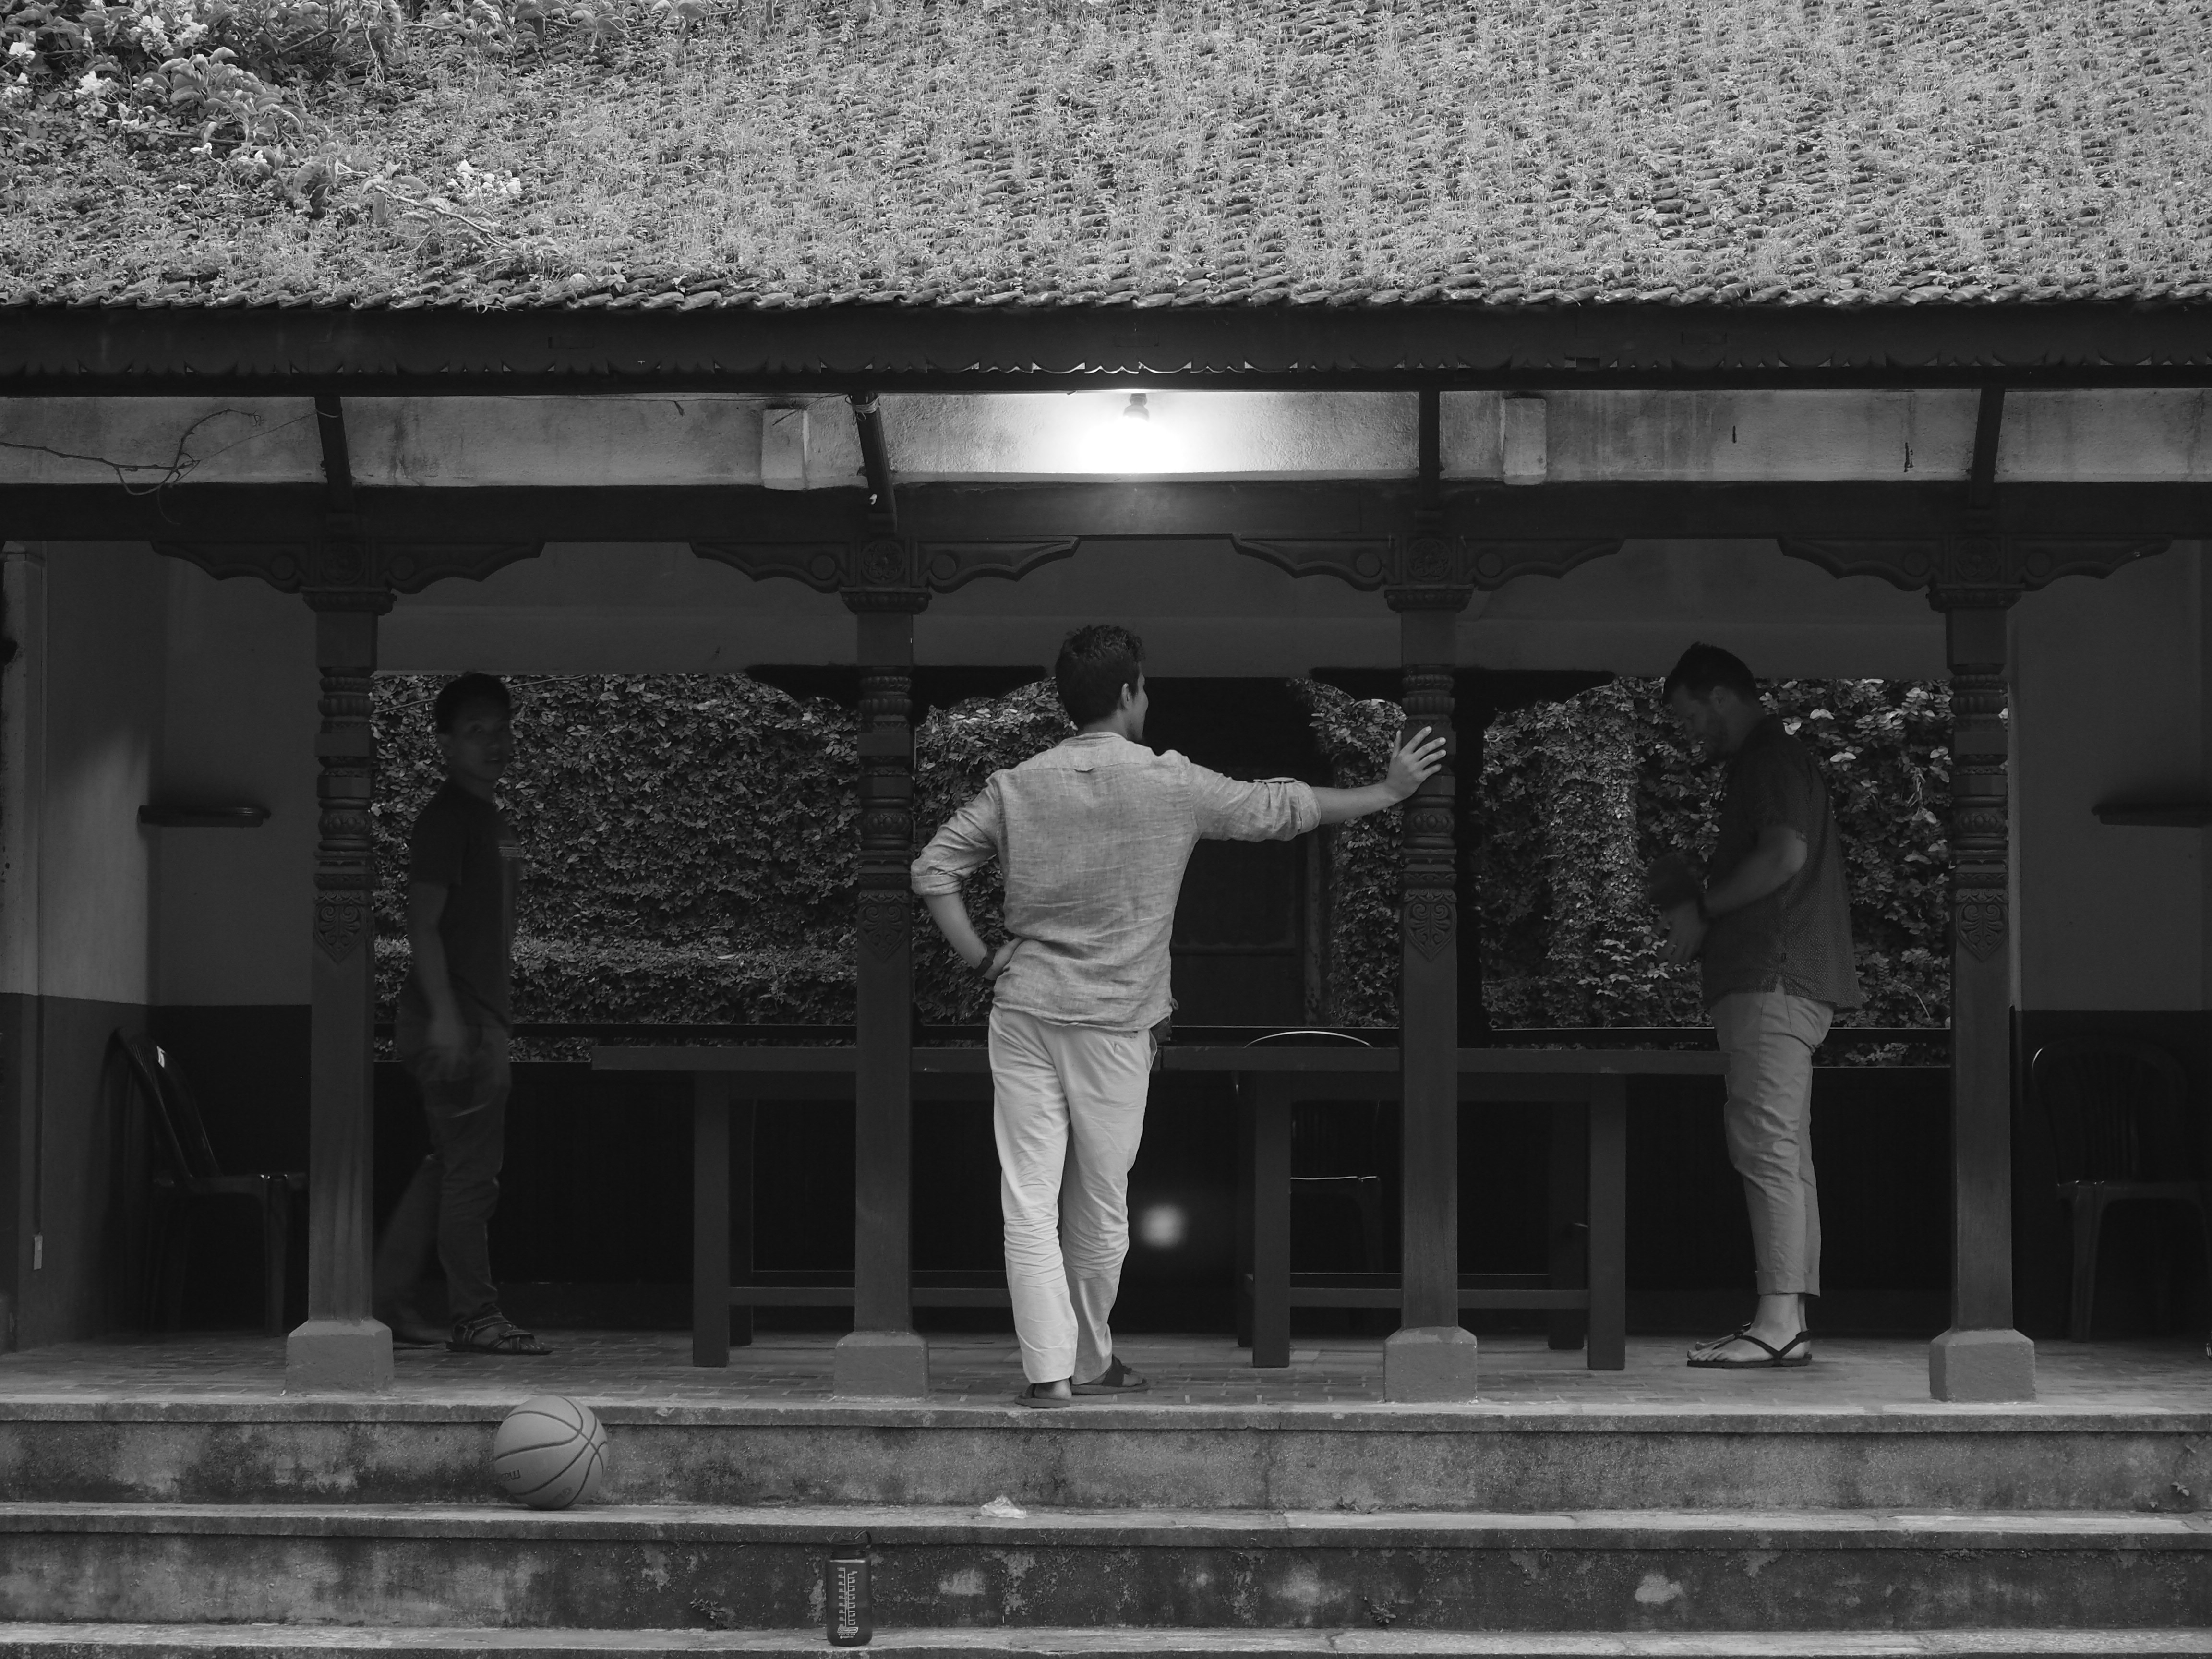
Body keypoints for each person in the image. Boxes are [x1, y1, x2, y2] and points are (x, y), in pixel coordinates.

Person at [911, 625, 1447, 1407]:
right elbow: (1281, 808)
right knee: (1097, 1199)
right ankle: (1087, 1359)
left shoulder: (1016, 784)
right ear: (1129, 693)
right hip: (1115, 1022)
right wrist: (1389, 792)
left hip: (1025, 1010)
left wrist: (985, 958)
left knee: (1027, 1198)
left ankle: (1054, 1373)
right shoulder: (1172, 782)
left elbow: (933, 871)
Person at [1651, 642, 1862, 1370]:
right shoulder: (1779, 760)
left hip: (1771, 977)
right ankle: (1787, 1321)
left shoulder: (1770, 758)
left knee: (1767, 1147)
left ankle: (1777, 1323)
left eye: (1688, 715)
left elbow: (1783, 857)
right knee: (1786, 1152)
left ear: (1719, 697)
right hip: (1789, 980)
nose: (1689, 733)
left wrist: (1703, 909)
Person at [371, 673, 550, 1356]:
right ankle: (475, 1317)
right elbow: (421, 925)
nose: (495, 743)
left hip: (478, 1017)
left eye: (502, 728)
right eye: (476, 732)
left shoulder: (488, 816)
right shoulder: (447, 819)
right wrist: (446, 1015)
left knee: (450, 1167)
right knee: (472, 1176)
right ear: (444, 743)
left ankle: (386, 1298)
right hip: (459, 1022)